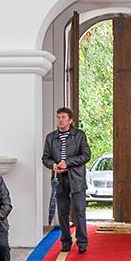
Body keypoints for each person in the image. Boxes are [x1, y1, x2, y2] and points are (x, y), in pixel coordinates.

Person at [42, 107, 91, 253]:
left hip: (76, 179)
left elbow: (86, 155)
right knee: (62, 212)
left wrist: (67, 163)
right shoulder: (50, 137)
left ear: (70, 120)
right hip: (59, 179)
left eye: (63, 117)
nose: (60, 120)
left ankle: (82, 243)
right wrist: (54, 165)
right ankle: (65, 242)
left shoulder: (80, 135)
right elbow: (45, 158)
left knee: (80, 211)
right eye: (58, 117)